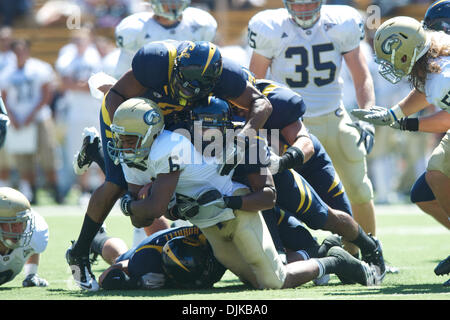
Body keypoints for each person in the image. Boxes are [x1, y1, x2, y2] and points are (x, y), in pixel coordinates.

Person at [107, 96, 380, 290]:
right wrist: (175, 208)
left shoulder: (246, 143)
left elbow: (267, 197)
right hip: (223, 214)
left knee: (322, 219)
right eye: (201, 126)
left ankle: (363, 249)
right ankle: (319, 254)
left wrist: (227, 200)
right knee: (257, 279)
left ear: (227, 124)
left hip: (267, 191)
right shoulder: (176, 147)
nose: (207, 134)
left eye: (212, 126)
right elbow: (160, 204)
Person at [66, 40, 273, 291]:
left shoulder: (225, 74)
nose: (188, 90)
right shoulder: (155, 61)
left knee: (168, 172)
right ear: (175, 69)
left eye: (196, 88)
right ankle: (79, 251)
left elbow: (262, 103)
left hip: (173, 121)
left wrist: (244, 137)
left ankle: (96, 151)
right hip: (134, 119)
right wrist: (127, 134)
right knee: (117, 182)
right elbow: (117, 96)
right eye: (184, 83)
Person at [247, 0, 379, 258]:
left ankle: (369, 251)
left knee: (359, 189)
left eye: (310, 4)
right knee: (274, 190)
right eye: (298, 5)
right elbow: (254, 86)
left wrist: (366, 118)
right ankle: (289, 253)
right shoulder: (269, 26)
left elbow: (361, 74)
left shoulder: (342, 22)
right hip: (288, 124)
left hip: (334, 117)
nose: (304, 10)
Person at [351, 16, 450, 287]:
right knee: (433, 177)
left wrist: (405, 123)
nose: (390, 65)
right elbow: (425, 89)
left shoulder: (443, 75)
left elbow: (445, 117)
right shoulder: (432, 53)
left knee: (437, 175)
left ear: (407, 51)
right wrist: (394, 113)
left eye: (392, 57)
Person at [112, 0, 217, 246]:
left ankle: (192, 239)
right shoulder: (135, 28)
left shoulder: (200, 22)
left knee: (186, 174)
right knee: (145, 174)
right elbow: (123, 79)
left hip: (187, 109)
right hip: (149, 112)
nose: (171, 5)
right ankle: (147, 239)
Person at [1, 39, 61, 204]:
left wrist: (31, 115)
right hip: (18, 121)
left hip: (39, 118)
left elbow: (47, 93)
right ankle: (32, 192)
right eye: (17, 51)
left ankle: (56, 191)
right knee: (23, 158)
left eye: (23, 50)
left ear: (28, 51)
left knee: (48, 154)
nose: (20, 54)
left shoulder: (39, 68)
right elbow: (4, 97)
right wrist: (12, 116)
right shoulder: (7, 72)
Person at [113, 0, 217, 79]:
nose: (173, 3)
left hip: (190, 84)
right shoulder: (135, 29)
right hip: (147, 87)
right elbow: (122, 73)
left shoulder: (200, 23)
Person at [0, 187, 49, 287]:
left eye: (22, 223)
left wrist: (31, 274)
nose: (19, 230)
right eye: (13, 225)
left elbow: (33, 247)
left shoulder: (35, 231)